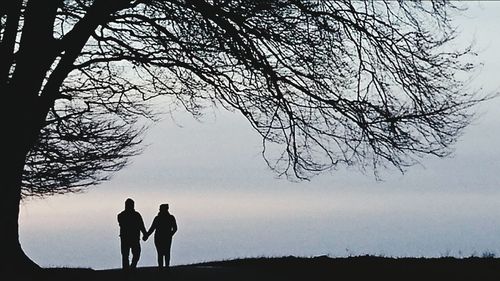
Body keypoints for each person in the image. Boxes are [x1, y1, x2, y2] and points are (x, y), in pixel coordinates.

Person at [144, 203, 178, 269]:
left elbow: (152, 228)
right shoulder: (170, 218)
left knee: (160, 253)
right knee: (166, 252)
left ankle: (161, 268)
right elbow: (175, 228)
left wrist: (146, 235)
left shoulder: (158, 218)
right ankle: (166, 267)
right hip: (166, 238)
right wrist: (170, 234)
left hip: (159, 238)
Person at [117, 198, 147, 270]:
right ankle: (127, 270)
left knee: (134, 254)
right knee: (126, 255)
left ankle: (131, 267)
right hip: (129, 238)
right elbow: (141, 225)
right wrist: (145, 234)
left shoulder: (122, 215)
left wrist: (145, 234)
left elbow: (141, 225)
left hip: (131, 238)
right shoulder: (122, 215)